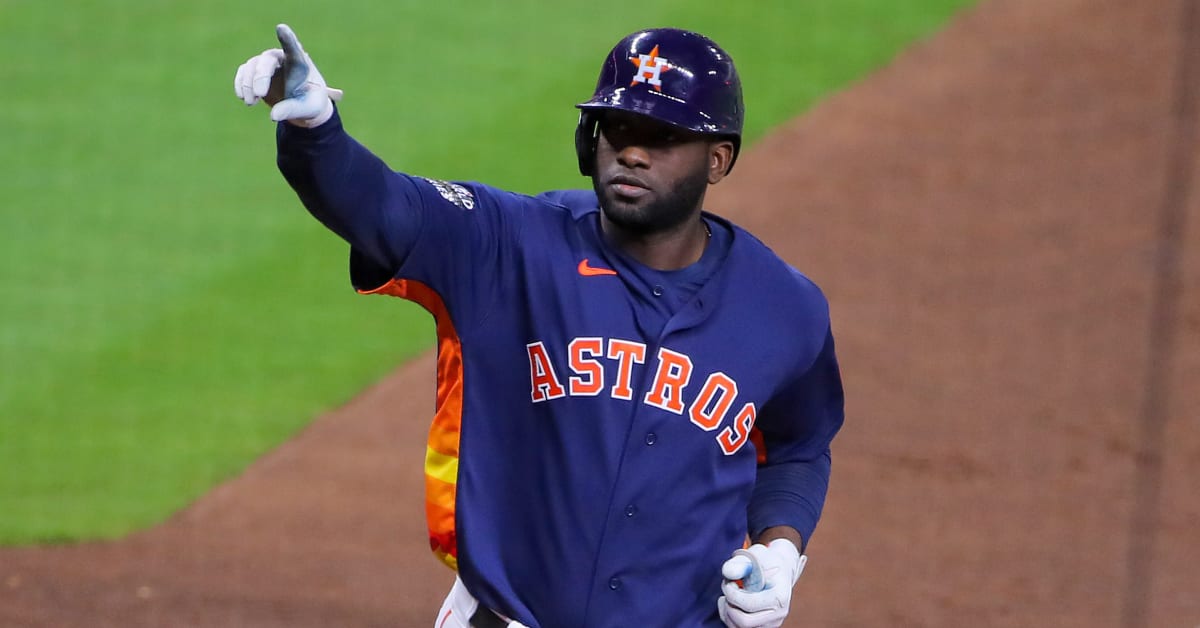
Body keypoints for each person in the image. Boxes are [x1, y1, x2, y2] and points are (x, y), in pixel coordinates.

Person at [234, 23, 845, 628]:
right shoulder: (509, 245)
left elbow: (798, 446)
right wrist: (314, 132)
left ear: (717, 160)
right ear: (589, 141)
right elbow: (381, 206)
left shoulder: (784, 308)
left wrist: (781, 550)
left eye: (661, 136)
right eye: (618, 129)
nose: (632, 151)